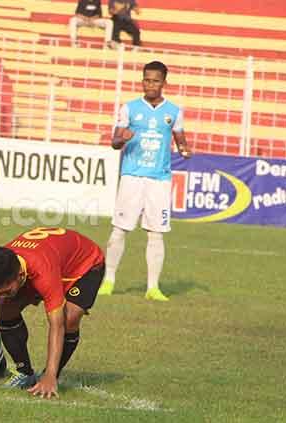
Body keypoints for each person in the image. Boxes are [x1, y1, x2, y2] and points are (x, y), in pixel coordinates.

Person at [0, 228, 105, 399]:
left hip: (84, 266)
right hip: (50, 260)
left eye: (7, 290)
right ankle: (25, 372)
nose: (2, 294)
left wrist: (50, 375)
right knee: (6, 308)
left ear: (19, 276)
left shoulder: (42, 269)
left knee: (69, 317)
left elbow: (57, 324)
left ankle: (51, 375)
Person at [99, 61, 191, 301]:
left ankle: (153, 287)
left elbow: (180, 138)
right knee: (119, 230)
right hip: (132, 177)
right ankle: (108, 280)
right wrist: (123, 139)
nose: (150, 84)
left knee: (156, 233)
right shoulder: (129, 108)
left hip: (159, 180)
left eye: (155, 80)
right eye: (146, 80)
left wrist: (184, 149)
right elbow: (115, 142)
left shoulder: (174, 111)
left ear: (164, 83)